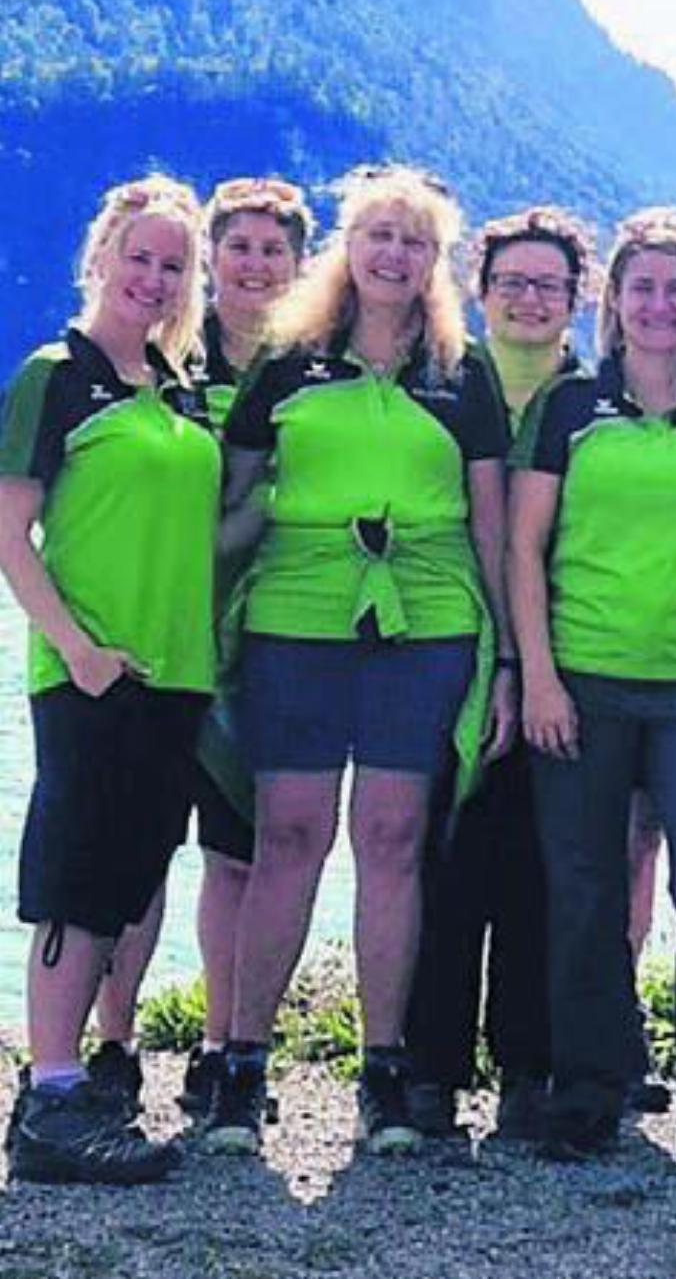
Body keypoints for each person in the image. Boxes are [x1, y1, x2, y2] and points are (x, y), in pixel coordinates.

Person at [206, 165, 515, 1157]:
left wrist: (507, 658)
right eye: (379, 234)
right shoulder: (289, 363)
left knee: (390, 836)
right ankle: (241, 1064)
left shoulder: (463, 374)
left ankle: (383, 1073)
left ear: (436, 264)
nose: (394, 255)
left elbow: (493, 526)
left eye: (414, 242)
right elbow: (234, 507)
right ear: (350, 243)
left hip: (424, 619)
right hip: (296, 614)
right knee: (287, 834)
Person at [509, 211, 676, 1167]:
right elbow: (524, 547)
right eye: (643, 288)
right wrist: (537, 676)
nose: (660, 305)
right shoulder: (571, 409)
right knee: (582, 894)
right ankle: (589, 1095)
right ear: (613, 304)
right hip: (581, 682)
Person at [82, 175, 314, 1123]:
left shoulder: (315, 367)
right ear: (211, 260)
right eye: (240, 247)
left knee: (236, 856)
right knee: (134, 852)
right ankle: (113, 1045)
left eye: (275, 250)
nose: (256, 265)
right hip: (154, 633)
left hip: (264, 642)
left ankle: (223, 1047)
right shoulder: (165, 364)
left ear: (301, 265)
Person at [0, 174, 218, 1183]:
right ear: (101, 257)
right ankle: (48, 1098)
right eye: (141, 256)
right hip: (90, 670)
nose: (156, 277)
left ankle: (71, 1090)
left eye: (175, 264)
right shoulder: (58, 373)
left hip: (176, 673)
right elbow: (10, 533)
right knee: (75, 881)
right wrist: (77, 647)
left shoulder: (175, 390)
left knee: (128, 882)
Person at [402, 207, 596, 1142]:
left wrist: (534, 664)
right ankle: (430, 1069)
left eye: (548, 285)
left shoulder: (593, 397)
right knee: (444, 858)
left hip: (566, 655)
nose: (528, 298)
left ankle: (528, 1067)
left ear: (575, 301)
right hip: (448, 642)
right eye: (511, 282)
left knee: (537, 867)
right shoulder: (442, 378)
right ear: (480, 292)